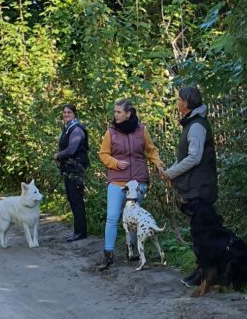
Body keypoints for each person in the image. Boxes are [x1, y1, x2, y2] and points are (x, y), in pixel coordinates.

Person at [97, 98, 165, 270]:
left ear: (128, 114)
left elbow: (151, 150)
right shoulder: (111, 132)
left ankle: (133, 251)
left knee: (134, 219)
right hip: (117, 181)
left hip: (137, 182)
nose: (115, 115)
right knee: (112, 217)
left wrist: (159, 165)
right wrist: (115, 163)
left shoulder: (141, 130)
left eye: (119, 112)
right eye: (115, 111)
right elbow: (103, 154)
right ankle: (108, 254)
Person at [161, 85, 218, 287]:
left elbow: (194, 157)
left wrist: (171, 173)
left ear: (187, 102)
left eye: (179, 99)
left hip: (201, 188)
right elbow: (185, 157)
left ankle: (206, 274)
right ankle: (202, 271)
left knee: (203, 234)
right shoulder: (192, 123)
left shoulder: (196, 126)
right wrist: (170, 172)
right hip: (197, 187)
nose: (177, 103)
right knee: (199, 233)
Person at [54, 103, 89, 241]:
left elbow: (71, 150)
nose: (66, 114)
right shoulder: (67, 128)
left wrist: (57, 155)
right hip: (69, 169)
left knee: (76, 199)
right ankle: (78, 231)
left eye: (69, 112)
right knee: (72, 198)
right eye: (64, 112)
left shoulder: (77, 129)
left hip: (76, 169)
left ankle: (81, 232)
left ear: (74, 114)